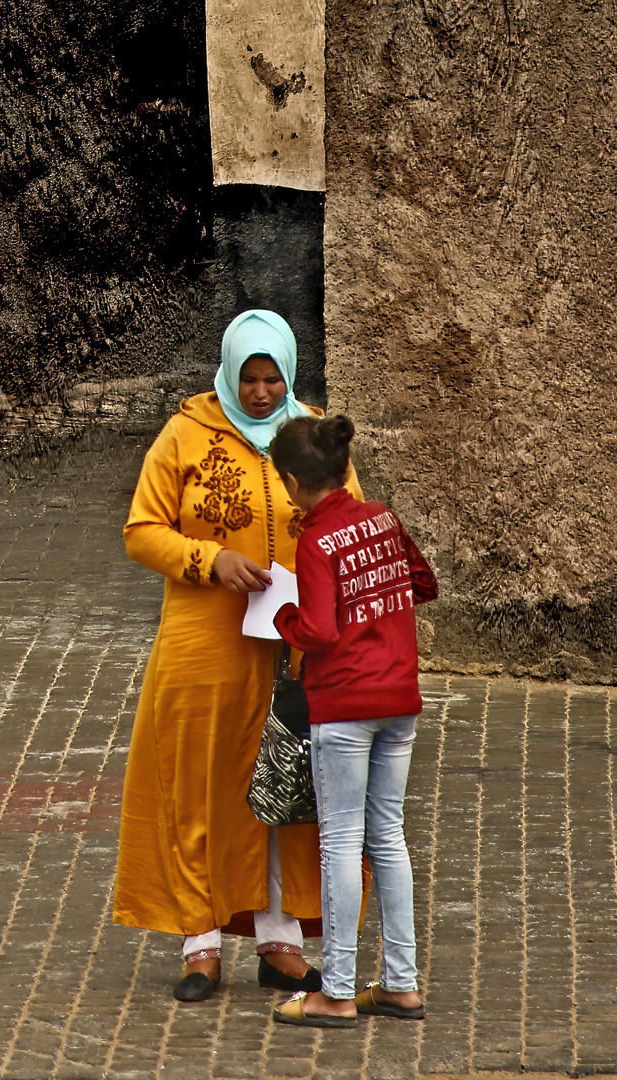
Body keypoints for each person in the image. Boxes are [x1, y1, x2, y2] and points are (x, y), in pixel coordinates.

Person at [114, 310, 358, 1001]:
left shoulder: (309, 434)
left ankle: (278, 939)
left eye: (270, 377)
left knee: (280, 790)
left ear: (288, 373)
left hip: (293, 649)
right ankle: (199, 941)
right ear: (226, 374)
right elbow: (141, 531)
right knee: (198, 787)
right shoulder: (184, 435)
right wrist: (208, 560)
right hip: (203, 646)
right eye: (247, 378)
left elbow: (351, 515)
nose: (258, 391)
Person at [267, 413, 437, 1028]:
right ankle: (400, 982)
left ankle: (335, 990)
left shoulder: (314, 542)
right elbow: (423, 581)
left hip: (343, 704)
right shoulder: (382, 517)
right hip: (399, 696)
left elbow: (316, 630)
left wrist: (283, 616)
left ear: (291, 481)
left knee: (339, 841)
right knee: (387, 836)